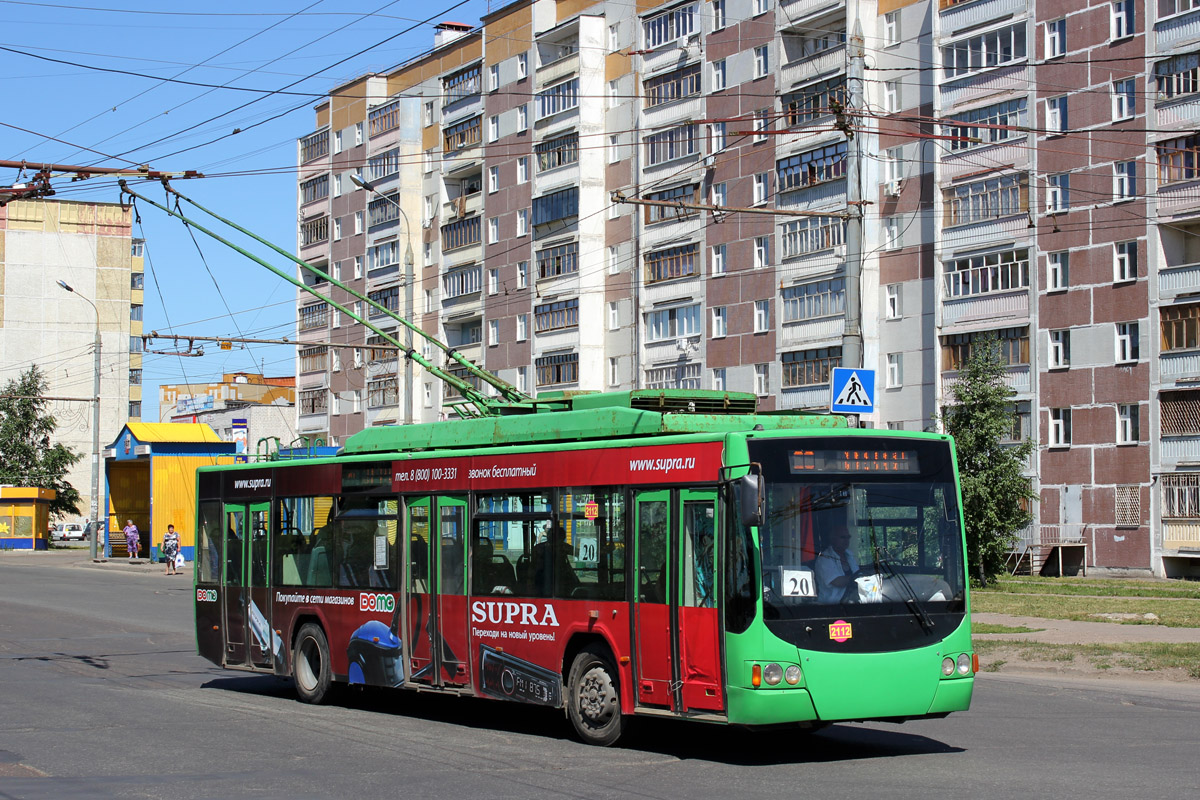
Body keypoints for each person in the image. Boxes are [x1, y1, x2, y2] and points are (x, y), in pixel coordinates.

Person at [815, 524, 859, 604]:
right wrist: (858, 578)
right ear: (833, 539)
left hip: (851, 602)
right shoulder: (824, 558)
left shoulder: (850, 555)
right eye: (842, 537)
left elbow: (857, 574)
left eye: (848, 537)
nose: (846, 540)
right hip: (831, 607)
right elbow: (837, 582)